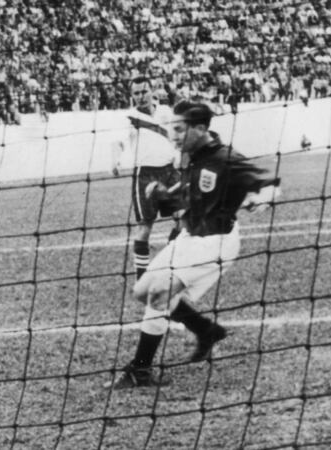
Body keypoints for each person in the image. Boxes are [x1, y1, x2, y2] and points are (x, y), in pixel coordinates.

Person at [104, 102, 281, 389]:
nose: (172, 135)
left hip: (215, 241)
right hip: (189, 237)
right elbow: (191, 195)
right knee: (141, 292)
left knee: (160, 295)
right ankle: (206, 330)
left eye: (178, 129)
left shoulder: (226, 158)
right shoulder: (189, 157)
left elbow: (268, 183)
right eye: (171, 128)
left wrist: (261, 198)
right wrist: (165, 194)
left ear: (200, 128)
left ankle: (140, 370)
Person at [111, 76, 184, 280]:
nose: (140, 96)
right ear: (131, 96)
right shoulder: (130, 117)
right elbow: (118, 142)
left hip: (170, 173)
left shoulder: (166, 112)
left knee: (184, 218)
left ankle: (169, 264)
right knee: (145, 227)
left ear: (152, 91)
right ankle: (142, 277)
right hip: (145, 175)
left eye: (143, 91)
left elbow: (178, 135)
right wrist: (115, 160)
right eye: (136, 93)